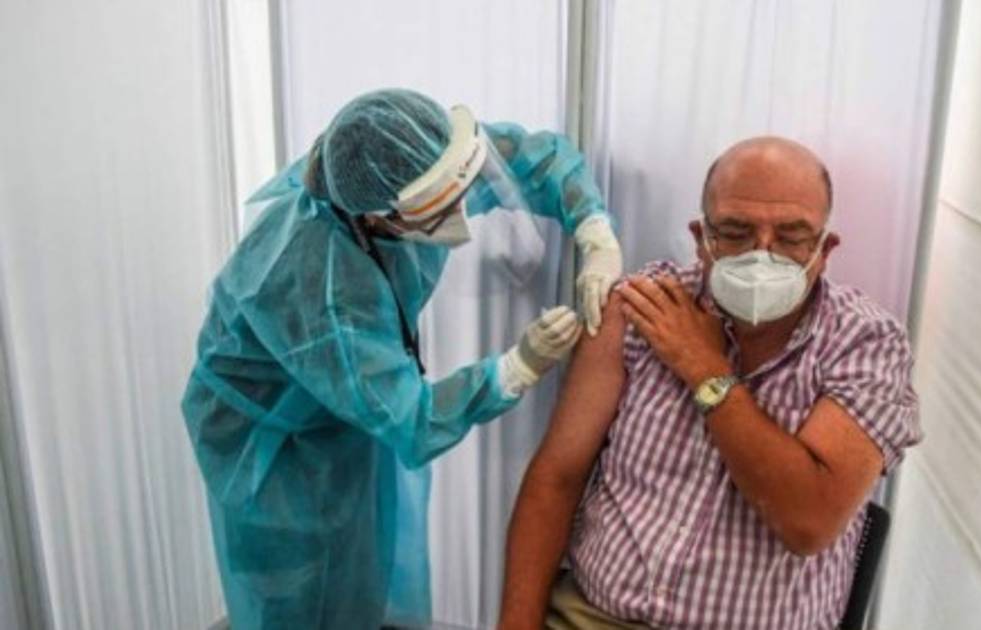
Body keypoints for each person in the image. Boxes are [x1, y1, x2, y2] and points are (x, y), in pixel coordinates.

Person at [181, 88, 623, 630]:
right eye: (438, 210)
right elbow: (411, 421)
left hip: (345, 398)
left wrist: (595, 230)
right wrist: (517, 367)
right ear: (379, 219)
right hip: (270, 442)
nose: (462, 212)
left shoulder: (415, 162)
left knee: (361, 564)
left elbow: (535, 158)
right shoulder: (323, 288)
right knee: (300, 584)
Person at [498, 137, 921, 629]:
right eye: (737, 232)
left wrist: (705, 368)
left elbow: (807, 522)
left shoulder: (866, 343)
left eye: (791, 237)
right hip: (592, 617)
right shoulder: (642, 308)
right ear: (701, 239)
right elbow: (557, 477)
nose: (762, 255)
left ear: (824, 250)